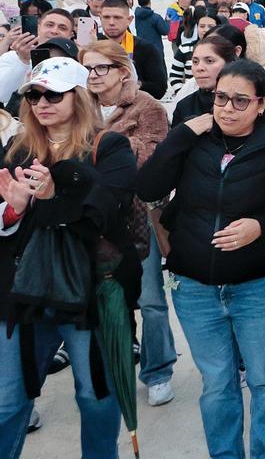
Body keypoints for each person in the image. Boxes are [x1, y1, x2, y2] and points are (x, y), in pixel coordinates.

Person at [136, 60, 265, 459]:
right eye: (220, 98)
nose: (226, 108)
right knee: (218, 383)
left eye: (240, 101)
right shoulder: (193, 137)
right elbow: (148, 186)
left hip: (256, 284)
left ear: (261, 104)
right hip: (193, 287)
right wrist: (180, 135)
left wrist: (260, 227)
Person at [0, 59, 139, 459]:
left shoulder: (107, 146)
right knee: (8, 400)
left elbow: (106, 214)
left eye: (53, 94)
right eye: (34, 94)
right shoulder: (18, 148)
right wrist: (14, 211)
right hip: (26, 291)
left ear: (77, 97)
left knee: (94, 396)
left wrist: (52, 197)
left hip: (89, 291)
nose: (42, 103)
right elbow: (8, 218)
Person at [79, 41, 177, 407]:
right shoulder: (78, 106)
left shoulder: (147, 107)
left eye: (100, 68)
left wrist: (103, 148)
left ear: (122, 71)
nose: (93, 76)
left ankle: (158, 370)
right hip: (92, 216)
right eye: (88, 69)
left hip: (138, 215)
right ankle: (114, 365)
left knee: (150, 298)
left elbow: (151, 159)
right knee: (106, 298)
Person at [98, 0, 168, 99]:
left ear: (129, 20)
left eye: (117, 17)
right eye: (106, 17)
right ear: (100, 18)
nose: (111, 22)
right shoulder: (93, 48)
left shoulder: (146, 49)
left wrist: (134, 84)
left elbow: (159, 90)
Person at [169, 10, 221, 96]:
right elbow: (175, 76)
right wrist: (183, 94)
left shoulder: (223, 50)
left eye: (210, 26)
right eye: (202, 26)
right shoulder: (184, 49)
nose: (205, 30)